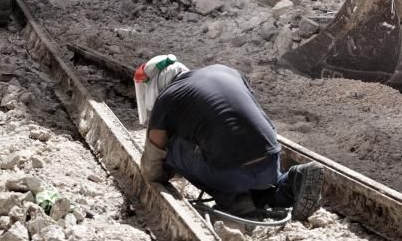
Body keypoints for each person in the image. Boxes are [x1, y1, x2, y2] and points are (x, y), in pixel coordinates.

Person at [135, 54, 324, 220]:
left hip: (230, 175)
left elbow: (153, 164)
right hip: (270, 162)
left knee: (170, 147)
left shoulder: (167, 97)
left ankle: (234, 198)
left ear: (155, 84)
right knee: (265, 191)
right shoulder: (226, 71)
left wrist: (163, 173)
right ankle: (293, 178)